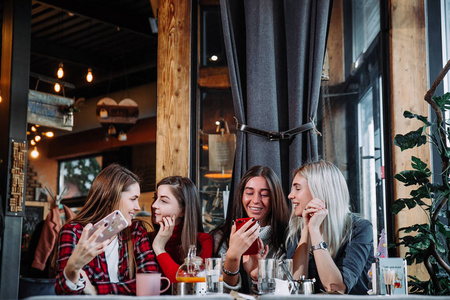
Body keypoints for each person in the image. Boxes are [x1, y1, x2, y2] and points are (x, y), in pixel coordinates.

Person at [54, 163, 159, 295]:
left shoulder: (136, 231)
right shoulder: (74, 231)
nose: (137, 207)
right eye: (133, 199)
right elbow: (65, 293)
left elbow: (150, 285)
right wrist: (72, 269)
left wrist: (95, 290)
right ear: (110, 198)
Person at [286, 160, 374, 295]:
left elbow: (336, 288)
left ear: (319, 191)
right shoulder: (297, 231)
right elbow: (294, 287)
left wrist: (314, 231)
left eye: (297, 188)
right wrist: (306, 231)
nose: (290, 195)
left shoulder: (359, 228)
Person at [211, 165, 291, 294]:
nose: (255, 200)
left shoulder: (286, 238)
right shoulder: (220, 237)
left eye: (264, 194)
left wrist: (258, 276)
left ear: (275, 199)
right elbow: (219, 293)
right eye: (249, 193)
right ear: (241, 195)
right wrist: (232, 256)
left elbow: (289, 292)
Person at [150, 176, 213, 283]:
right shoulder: (145, 238)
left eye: (164, 201)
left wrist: (159, 248)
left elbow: (188, 284)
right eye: (155, 198)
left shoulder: (203, 241)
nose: (154, 205)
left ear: (183, 211)